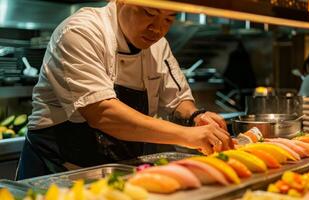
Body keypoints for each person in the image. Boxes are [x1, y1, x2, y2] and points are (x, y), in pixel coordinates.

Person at [16, 0, 233, 180]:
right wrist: (188, 136)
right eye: (149, 13)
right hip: (58, 171)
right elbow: (103, 113)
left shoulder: (157, 44)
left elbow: (177, 99)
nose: (158, 29)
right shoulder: (81, 31)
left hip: (116, 170)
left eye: (169, 19)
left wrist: (197, 117)